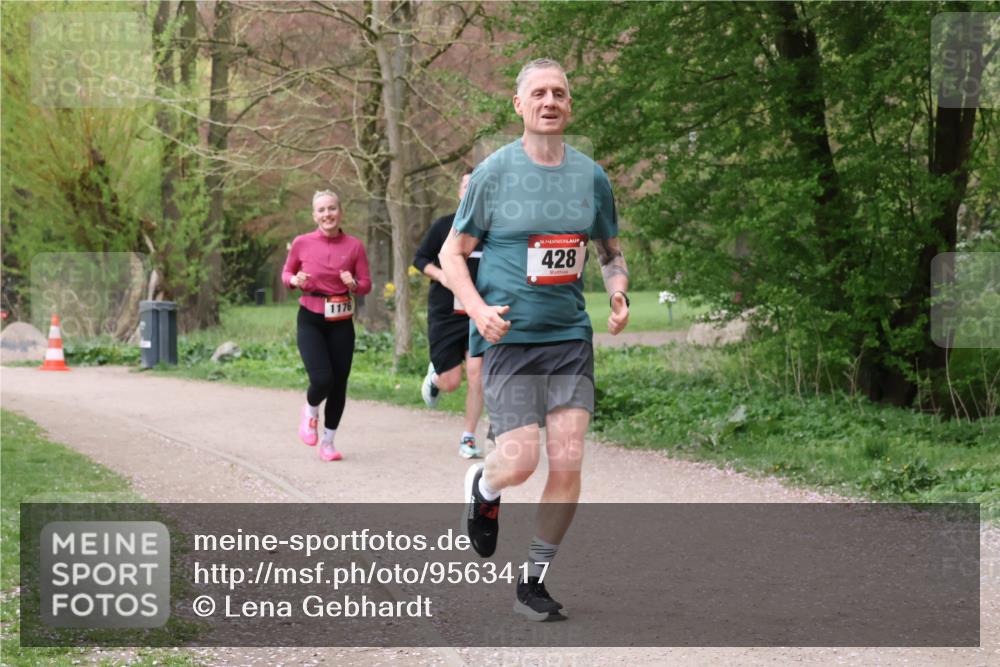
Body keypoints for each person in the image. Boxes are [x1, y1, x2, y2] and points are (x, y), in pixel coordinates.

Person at [440, 58, 629, 621]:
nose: (551, 101)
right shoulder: (494, 173)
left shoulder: (591, 177)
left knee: (567, 463)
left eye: (561, 94)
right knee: (519, 462)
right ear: (519, 106)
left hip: (569, 336)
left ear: (570, 106)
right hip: (510, 337)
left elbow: (610, 253)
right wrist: (476, 311)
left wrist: (617, 292)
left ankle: (534, 581)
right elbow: (452, 253)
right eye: (539, 93)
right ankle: (484, 484)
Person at [282, 190, 372, 461]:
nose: (327, 214)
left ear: (340, 212)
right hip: (310, 317)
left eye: (331, 208)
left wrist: (352, 284)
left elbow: (365, 285)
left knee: (339, 384)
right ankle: (310, 411)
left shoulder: (354, 246)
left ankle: (328, 443)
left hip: (341, 320)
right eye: (321, 210)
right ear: (314, 216)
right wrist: (294, 281)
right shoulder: (302, 242)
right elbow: (286, 273)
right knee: (322, 379)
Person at [412, 170, 487, 458]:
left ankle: (468, 437)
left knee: (477, 373)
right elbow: (419, 258)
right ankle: (435, 379)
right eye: (466, 187)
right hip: (446, 312)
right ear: (459, 192)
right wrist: (443, 276)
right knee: (451, 382)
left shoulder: (490, 231)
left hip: (477, 312)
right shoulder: (445, 226)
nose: (471, 193)